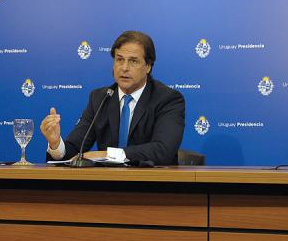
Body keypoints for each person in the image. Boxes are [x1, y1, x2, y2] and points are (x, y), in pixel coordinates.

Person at [40, 31, 185, 166]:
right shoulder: (100, 98)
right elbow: (76, 149)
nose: (124, 68)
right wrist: (56, 144)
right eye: (119, 60)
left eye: (133, 61)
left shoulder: (168, 99)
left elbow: (162, 150)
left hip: (154, 187)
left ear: (148, 66)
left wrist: (109, 154)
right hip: (107, 188)